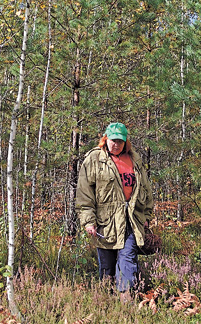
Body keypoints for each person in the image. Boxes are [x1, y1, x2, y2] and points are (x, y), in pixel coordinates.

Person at [75, 122, 154, 295]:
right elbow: (84, 193)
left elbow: (145, 189)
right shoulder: (94, 159)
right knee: (107, 267)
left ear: (126, 141)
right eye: (113, 140)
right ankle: (107, 301)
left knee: (128, 260)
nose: (116, 144)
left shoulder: (134, 159)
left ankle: (126, 299)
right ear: (105, 139)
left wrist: (146, 215)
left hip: (131, 220)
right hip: (106, 222)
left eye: (120, 140)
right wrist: (88, 220)